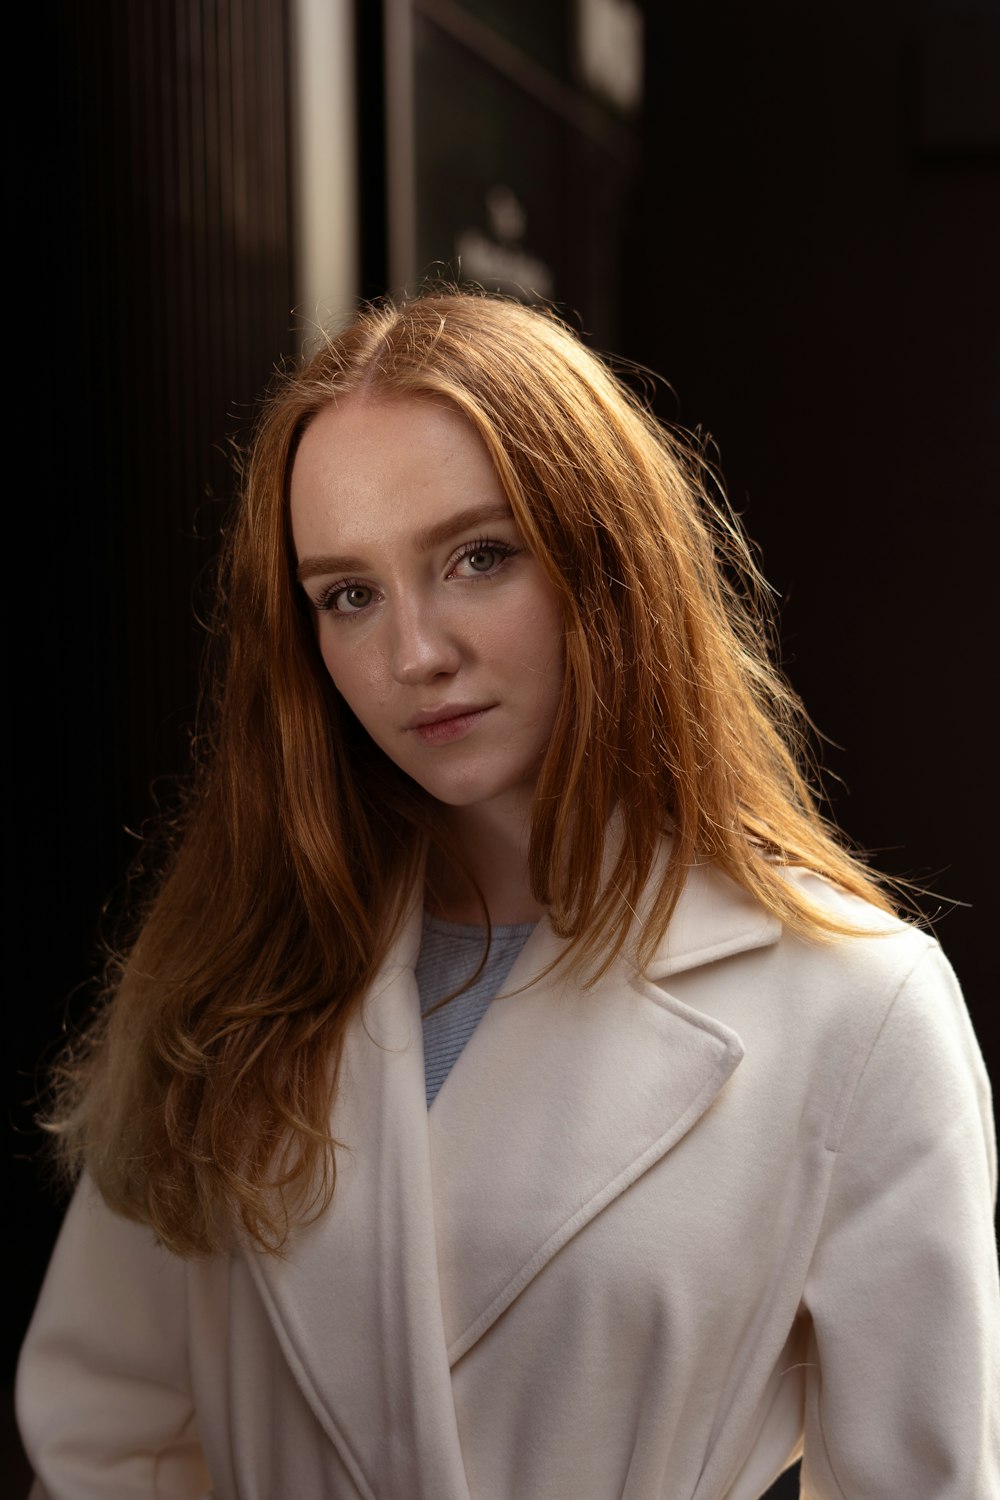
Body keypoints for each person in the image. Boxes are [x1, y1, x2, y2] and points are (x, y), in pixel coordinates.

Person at [16, 288, 998, 1500]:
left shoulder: (856, 1008)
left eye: (477, 558)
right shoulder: (227, 968)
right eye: (348, 594)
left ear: (609, 564)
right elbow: (102, 1428)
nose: (413, 653)